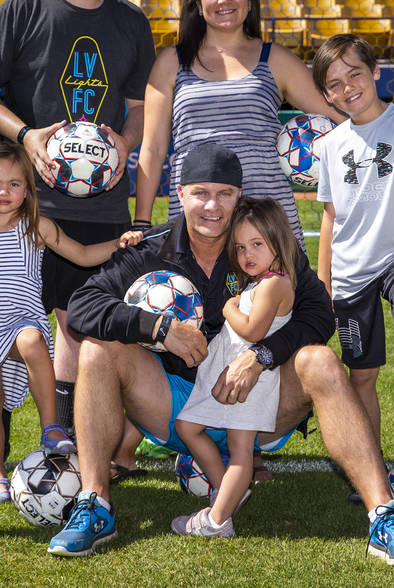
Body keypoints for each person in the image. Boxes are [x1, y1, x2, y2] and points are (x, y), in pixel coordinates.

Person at [48, 142, 394, 567]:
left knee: (321, 361)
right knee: (96, 351)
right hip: (179, 409)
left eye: (224, 194)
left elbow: (319, 312)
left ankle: (385, 516)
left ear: (238, 196)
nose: (211, 206)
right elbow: (83, 306)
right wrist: (158, 328)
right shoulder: (150, 248)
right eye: (200, 193)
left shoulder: (261, 245)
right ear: (180, 193)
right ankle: (95, 505)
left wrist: (263, 355)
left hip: (259, 409)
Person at [0, 0, 156, 480]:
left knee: (78, 323)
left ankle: (69, 439)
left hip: (100, 206)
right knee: (9, 320)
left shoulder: (131, 22)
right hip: (24, 203)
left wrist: (124, 142)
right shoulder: (23, 10)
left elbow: (143, 105)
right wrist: (26, 135)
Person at [0, 142, 142, 503]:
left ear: (28, 191)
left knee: (33, 340)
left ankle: (51, 427)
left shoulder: (37, 227)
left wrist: (120, 244)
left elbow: (81, 254)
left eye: (15, 184)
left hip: (23, 319)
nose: (4, 192)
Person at [134, 0, 342, 248]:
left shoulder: (276, 59)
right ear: (197, 1)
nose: (224, 0)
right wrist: (142, 222)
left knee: (273, 295)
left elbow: (335, 118)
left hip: (266, 217)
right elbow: (153, 149)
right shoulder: (170, 62)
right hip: (199, 219)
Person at [311, 33, 394, 487]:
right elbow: (330, 219)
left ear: (375, 72)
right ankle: (371, 469)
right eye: (335, 84)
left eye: (355, 74)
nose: (348, 87)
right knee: (361, 375)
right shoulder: (329, 146)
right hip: (350, 270)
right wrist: (322, 283)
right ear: (326, 95)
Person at [172, 197, 296, 538]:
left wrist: (229, 309)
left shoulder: (276, 283)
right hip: (223, 375)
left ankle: (217, 521)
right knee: (186, 426)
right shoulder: (258, 282)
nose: (247, 255)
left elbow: (254, 331)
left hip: (250, 384)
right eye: (241, 247)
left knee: (241, 452)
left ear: (278, 242)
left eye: (257, 244)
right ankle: (222, 492)